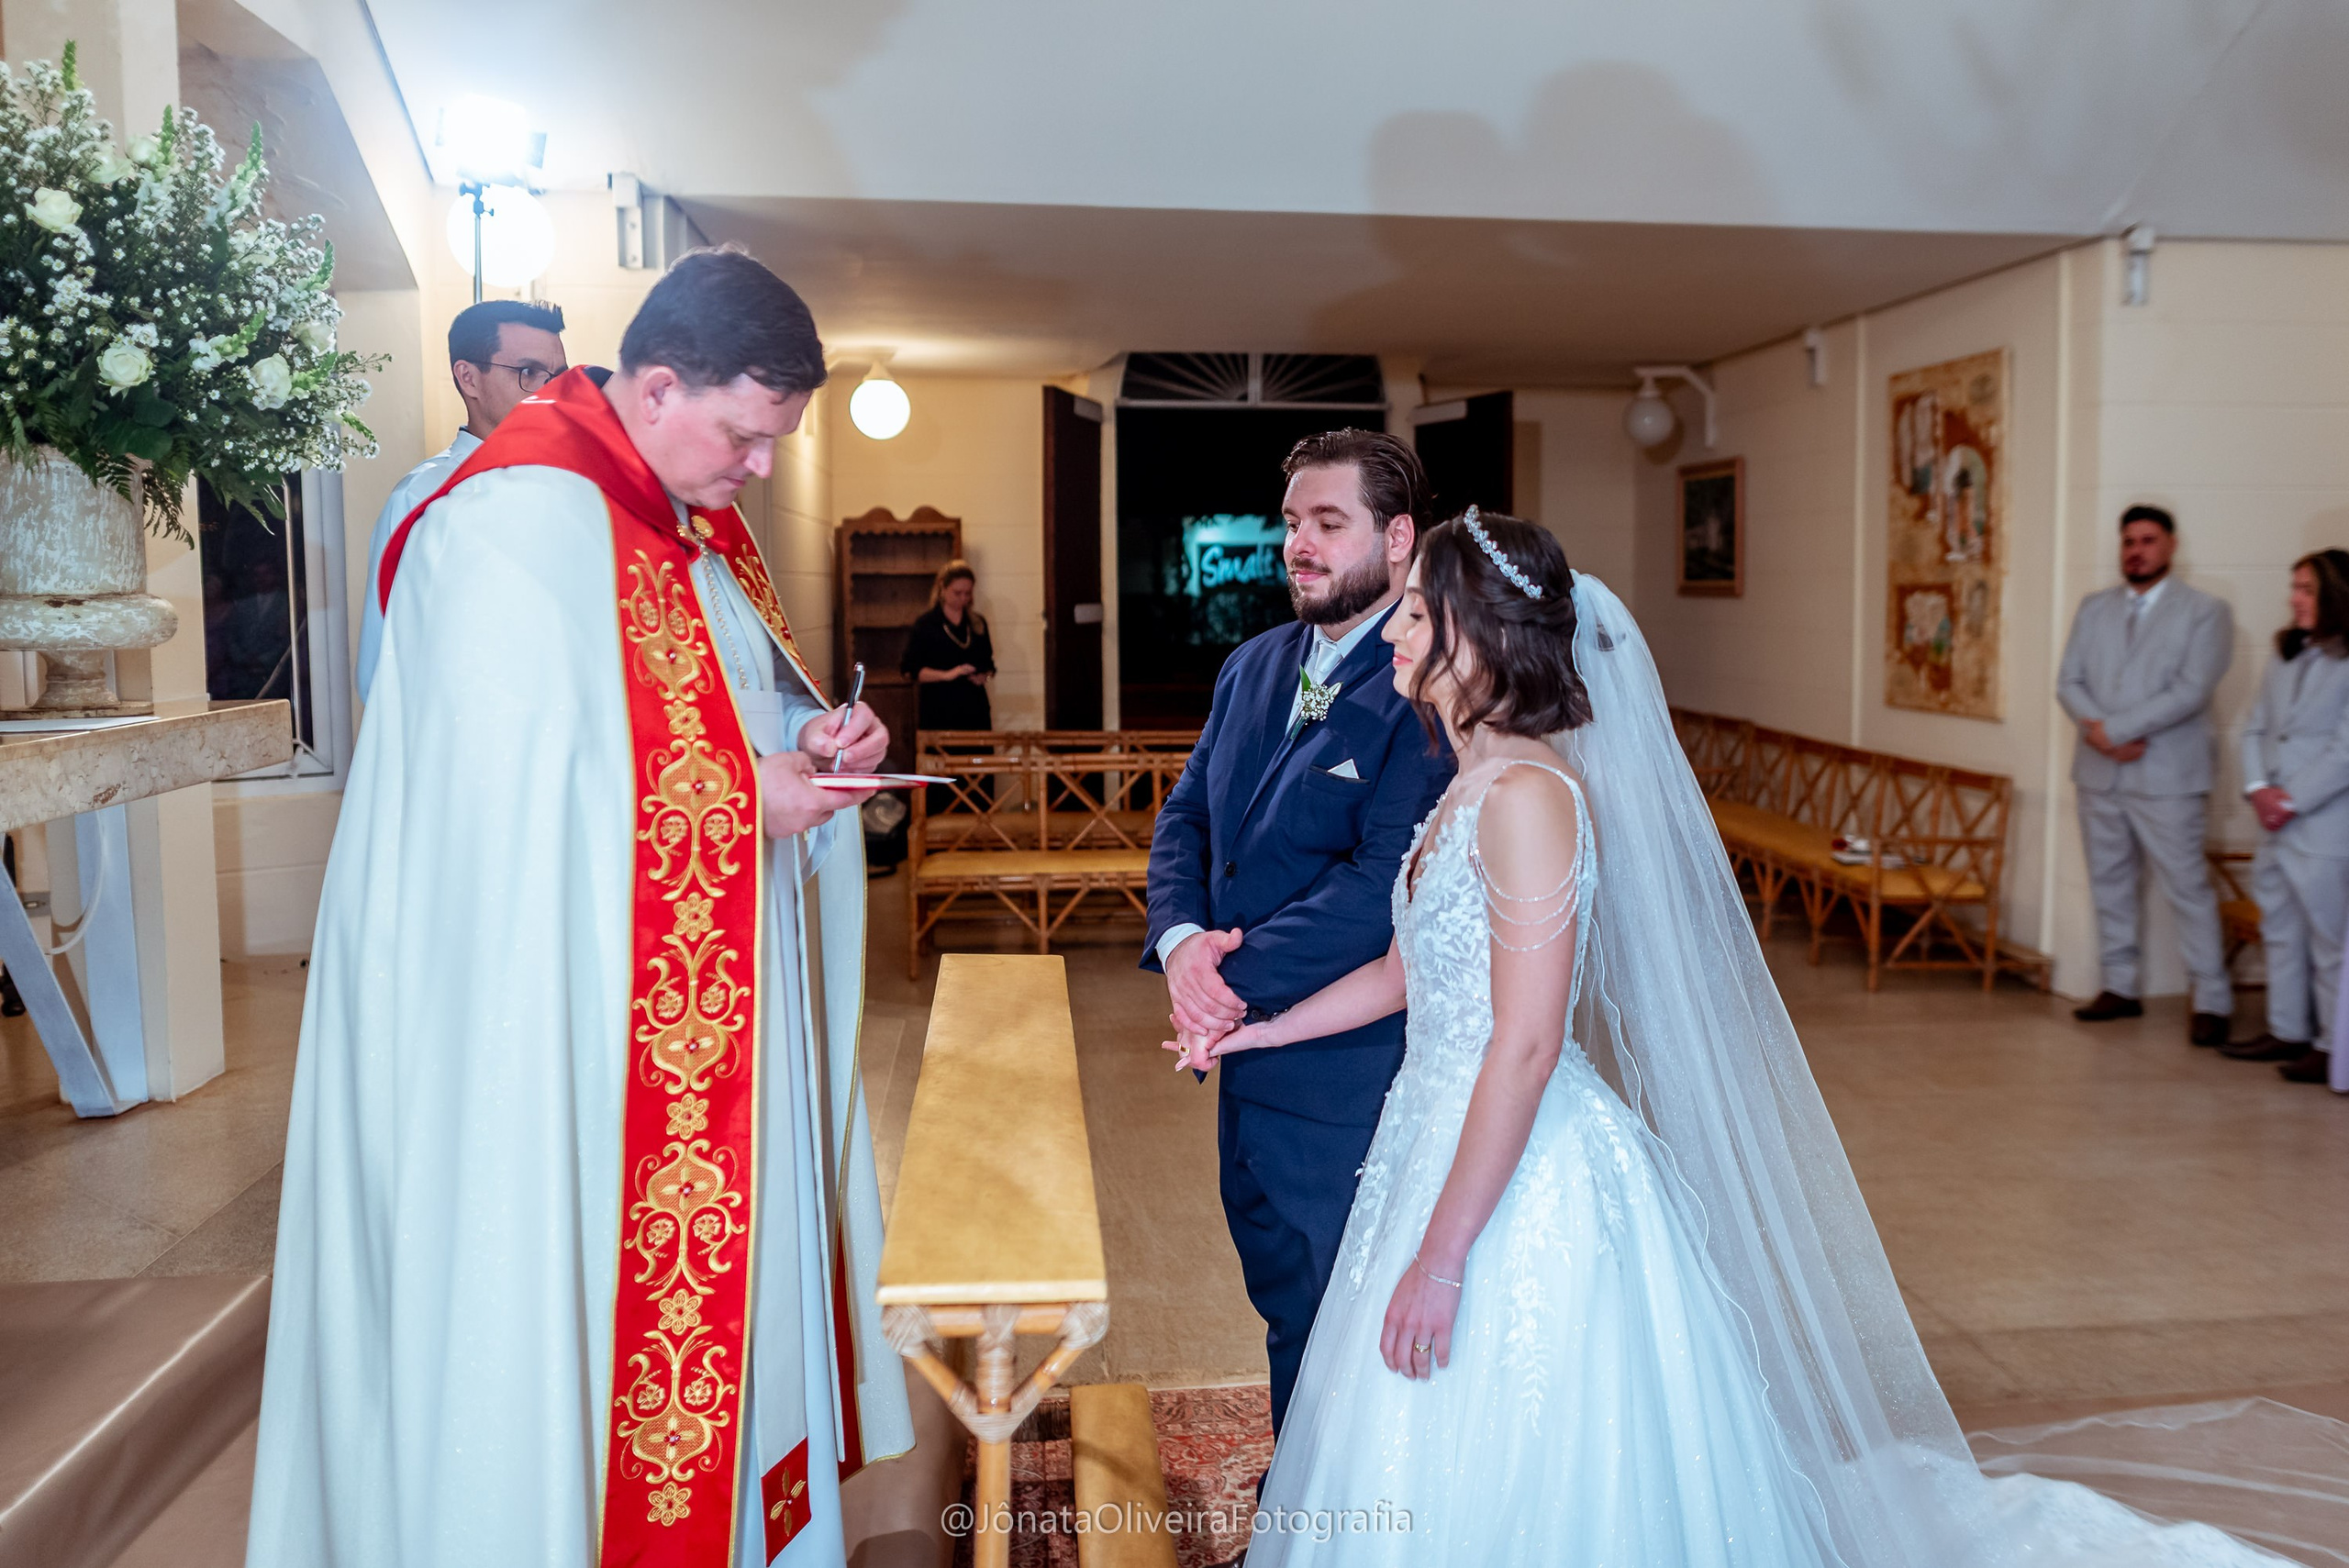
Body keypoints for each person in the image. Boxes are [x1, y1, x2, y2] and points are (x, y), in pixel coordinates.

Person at [1181, 509, 2310, 1566]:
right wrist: (1263, 1027)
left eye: (1421, 610)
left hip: (1514, 1166)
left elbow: (1522, 1047)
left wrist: (1441, 1256)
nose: (1400, 629)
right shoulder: (1462, 781)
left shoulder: (1526, 796)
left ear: (1476, 636)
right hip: (1432, 1130)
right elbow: (1402, 968)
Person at [247, 250, 912, 1568]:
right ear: (657, 387)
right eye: (745, 434)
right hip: (545, 1055)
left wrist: (805, 745)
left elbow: (699, 728)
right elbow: (503, 833)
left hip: (695, 1026)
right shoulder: (509, 530)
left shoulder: (688, 524)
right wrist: (740, 801)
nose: (763, 470)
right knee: (552, 1320)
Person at [1142, 428, 1453, 1437]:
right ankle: (1300, 1511)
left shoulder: (1427, 689)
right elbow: (1188, 812)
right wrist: (1186, 941)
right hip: (1247, 1066)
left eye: (1328, 524)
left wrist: (1225, 983)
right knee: (1288, 1307)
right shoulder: (1252, 663)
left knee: (1343, 1313)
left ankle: (1336, 1525)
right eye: (1290, 524)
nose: (1298, 546)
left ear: (1397, 538)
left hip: (1349, 1074)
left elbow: (1381, 889)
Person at [2055, 504, 2234, 1044]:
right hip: (2099, 772)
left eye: (2147, 540)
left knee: (2187, 887)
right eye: (2128, 540)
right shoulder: (2094, 607)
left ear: (2171, 546)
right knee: (2110, 884)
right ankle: (2120, 986)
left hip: (2168, 775)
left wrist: (2118, 728)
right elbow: (2069, 681)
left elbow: (2191, 688)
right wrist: (2100, 732)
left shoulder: (2205, 611)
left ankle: (2212, 998)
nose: (2136, 550)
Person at [354, 298, 569, 703]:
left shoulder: (572, 488)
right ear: (468, 378)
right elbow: (382, 664)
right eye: (529, 372)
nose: (550, 392)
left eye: (558, 376)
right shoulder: (424, 498)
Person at [2223, 549, 2349, 1084]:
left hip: (2322, 823)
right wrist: (2257, 789)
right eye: (2294, 587)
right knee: (2280, 927)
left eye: (2305, 590)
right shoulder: (2286, 653)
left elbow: (2345, 751)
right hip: (2273, 817)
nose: (2294, 599)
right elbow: (2255, 727)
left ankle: (2330, 1042)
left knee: (2329, 938)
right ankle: (2285, 1027)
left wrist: (2290, 799)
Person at [899, 559, 995, 731]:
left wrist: (983, 676)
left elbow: (988, 663)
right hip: (940, 707)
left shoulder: (977, 623)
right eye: (957, 593)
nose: (963, 598)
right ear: (942, 589)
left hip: (974, 707)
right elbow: (910, 669)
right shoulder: (926, 624)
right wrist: (948, 674)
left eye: (968, 593)